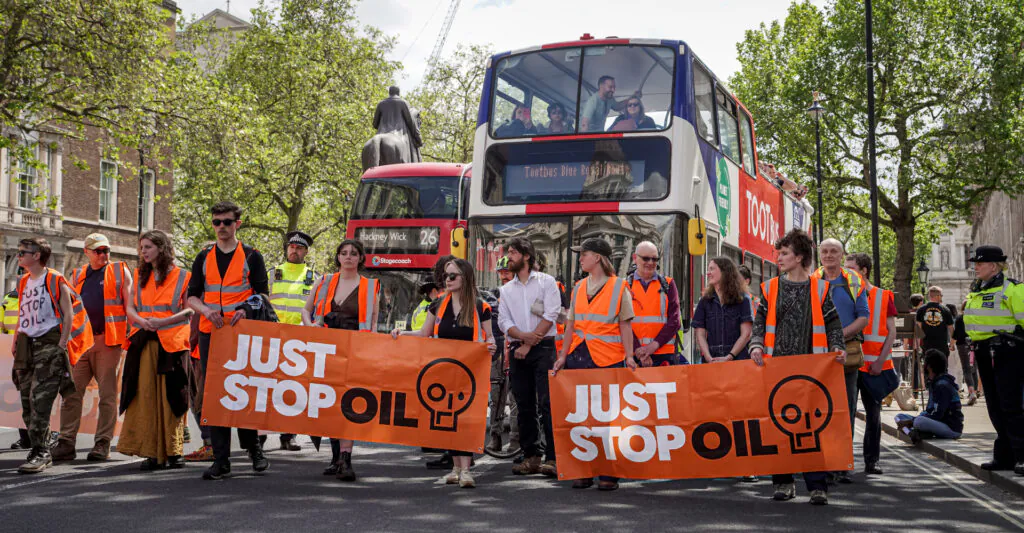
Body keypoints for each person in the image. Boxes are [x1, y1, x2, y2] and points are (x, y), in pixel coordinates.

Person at [749, 229, 845, 505]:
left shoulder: (820, 288)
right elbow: (759, 322)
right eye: (779, 253)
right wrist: (756, 345)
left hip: (812, 369)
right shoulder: (771, 287)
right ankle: (783, 482)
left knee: (810, 428)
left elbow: (832, 323)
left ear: (799, 257)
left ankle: (817, 486)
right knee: (779, 425)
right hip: (776, 367)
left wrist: (837, 348)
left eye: (785, 254)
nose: (779, 258)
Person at [392, 258, 496, 488]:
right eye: (446, 276)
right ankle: (456, 467)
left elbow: (489, 338)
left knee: (467, 421)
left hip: (471, 374)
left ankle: (466, 470)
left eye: (453, 276)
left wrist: (491, 346)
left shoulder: (481, 307)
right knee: (449, 420)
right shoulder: (437, 304)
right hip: (444, 371)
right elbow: (424, 334)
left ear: (465, 278)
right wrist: (401, 333)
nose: (447, 280)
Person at [187, 201, 271, 481]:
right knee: (216, 397)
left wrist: (245, 309)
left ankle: (254, 449)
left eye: (226, 221)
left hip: (241, 332)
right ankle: (221, 461)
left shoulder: (252, 256)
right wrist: (205, 311)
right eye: (216, 222)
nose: (221, 227)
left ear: (238, 223)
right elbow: (191, 297)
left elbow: (262, 295)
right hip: (212, 332)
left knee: (243, 392)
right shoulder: (203, 256)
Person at [553, 237, 637, 491]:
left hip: (608, 359)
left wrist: (630, 356)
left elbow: (625, 325)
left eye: (584, 254)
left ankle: (608, 472)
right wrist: (563, 356)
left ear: (598, 257)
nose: (580, 258)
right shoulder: (579, 287)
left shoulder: (619, 287)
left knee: (608, 419)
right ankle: (584, 470)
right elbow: (570, 326)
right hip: (579, 356)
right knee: (582, 417)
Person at [13, 237, 93, 474]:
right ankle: (40, 445)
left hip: (49, 343)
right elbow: (22, 313)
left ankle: (41, 452)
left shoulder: (55, 279)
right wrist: (17, 339)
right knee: (27, 401)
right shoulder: (23, 281)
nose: (19, 256)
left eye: (22, 252)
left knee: (41, 400)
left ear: (37, 255)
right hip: (27, 345)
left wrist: (61, 343)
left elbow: (68, 314)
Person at [301, 239, 379, 481]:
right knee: (328, 402)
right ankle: (335, 457)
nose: (348, 257)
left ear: (360, 258)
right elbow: (306, 309)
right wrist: (311, 326)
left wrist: (370, 351)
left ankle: (346, 459)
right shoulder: (324, 281)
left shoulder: (371, 286)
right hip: (325, 349)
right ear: (337, 257)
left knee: (348, 403)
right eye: (344, 253)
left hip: (354, 351)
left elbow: (373, 323)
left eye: (354, 254)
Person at [50, 233, 131, 463]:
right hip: (82, 343)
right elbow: (68, 309)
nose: (103, 255)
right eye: (98, 251)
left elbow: (130, 304)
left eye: (106, 250)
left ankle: (102, 444)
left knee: (107, 395)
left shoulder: (119, 271)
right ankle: (66, 443)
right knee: (71, 392)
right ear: (86, 252)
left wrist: (132, 336)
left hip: (109, 342)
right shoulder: (77, 275)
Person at [119, 230, 193, 470]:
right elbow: (130, 308)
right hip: (144, 342)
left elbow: (189, 310)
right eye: (142, 248)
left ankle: (174, 451)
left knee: (172, 398)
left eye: (148, 247)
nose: (144, 252)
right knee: (146, 398)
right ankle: (151, 452)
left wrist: (162, 322)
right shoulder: (139, 274)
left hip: (172, 344)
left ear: (162, 248)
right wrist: (141, 321)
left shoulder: (183, 276)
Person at [498, 237, 562, 477]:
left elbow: (552, 312)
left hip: (543, 348)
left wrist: (531, 340)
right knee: (523, 405)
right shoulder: (505, 289)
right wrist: (523, 340)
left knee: (548, 404)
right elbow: (504, 321)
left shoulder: (547, 282)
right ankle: (531, 455)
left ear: (526, 256)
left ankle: (553, 457)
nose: (509, 257)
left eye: (513, 252)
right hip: (518, 349)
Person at [810, 238, 868, 485]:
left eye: (834, 251)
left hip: (845, 355)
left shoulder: (853, 281)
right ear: (819, 255)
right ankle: (824, 462)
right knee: (821, 410)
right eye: (825, 251)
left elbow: (863, 318)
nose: (829, 255)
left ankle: (842, 463)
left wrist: (838, 336)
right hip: (817, 357)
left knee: (845, 410)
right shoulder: (811, 280)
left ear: (842, 255)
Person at [962, 245, 1024, 474]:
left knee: (1011, 406)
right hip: (983, 353)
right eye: (975, 263)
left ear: (994, 266)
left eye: (980, 263)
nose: (975, 267)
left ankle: (1022, 456)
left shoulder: (1013, 290)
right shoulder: (977, 291)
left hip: (1007, 352)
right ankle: (1005, 456)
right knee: (995, 407)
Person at [266, 230, 318, 452]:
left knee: (292, 390)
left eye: (299, 248)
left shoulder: (314, 278)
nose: (294, 250)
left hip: (299, 342)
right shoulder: (272, 273)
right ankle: (259, 436)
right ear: (287, 249)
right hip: (272, 337)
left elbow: (317, 310)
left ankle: (289, 435)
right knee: (266, 388)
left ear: (305, 251)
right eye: (291, 247)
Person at [846, 252, 897, 476]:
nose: (845, 272)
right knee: (845, 415)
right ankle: (843, 464)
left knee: (873, 416)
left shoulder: (884, 296)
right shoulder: (843, 294)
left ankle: (872, 460)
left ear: (864, 270)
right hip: (849, 365)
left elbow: (891, 332)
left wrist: (879, 361)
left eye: (850, 268)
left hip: (875, 367)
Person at [629, 241, 683, 366]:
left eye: (654, 259)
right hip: (634, 356)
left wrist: (652, 346)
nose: (650, 263)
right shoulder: (624, 286)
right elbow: (620, 322)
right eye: (646, 258)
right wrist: (638, 350)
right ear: (635, 258)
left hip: (664, 355)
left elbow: (674, 320)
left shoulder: (668, 284)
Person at [692, 256, 752, 364]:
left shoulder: (743, 299)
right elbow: (700, 334)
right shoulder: (705, 301)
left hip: (738, 362)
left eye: (712, 269)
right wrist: (709, 358)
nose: (708, 273)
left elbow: (746, 334)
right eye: (708, 269)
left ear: (725, 272)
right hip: (711, 361)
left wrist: (729, 357)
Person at [895, 350, 964, 442]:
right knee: (899, 417)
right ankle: (913, 433)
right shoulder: (935, 383)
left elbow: (938, 414)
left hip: (950, 427)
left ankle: (914, 432)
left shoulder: (942, 385)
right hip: (937, 422)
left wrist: (912, 421)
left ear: (929, 366)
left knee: (919, 421)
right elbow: (930, 410)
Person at [487, 256, 518, 453]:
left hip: (515, 348)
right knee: (495, 398)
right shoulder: (493, 296)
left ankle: (515, 440)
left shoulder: (521, 294)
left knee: (515, 398)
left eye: (507, 271)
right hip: (497, 352)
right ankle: (495, 437)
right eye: (501, 272)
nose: (503, 275)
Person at [3, 286, 31, 450]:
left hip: (35, 350)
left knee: (34, 396)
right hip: (13, 353)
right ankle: (25, 437)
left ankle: (45, 436)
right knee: (22, 397)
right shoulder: (9, 299)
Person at [372, 85, 422, 162]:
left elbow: (375, 124)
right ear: (398, 93)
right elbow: (410, 122)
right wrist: (418, 137)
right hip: (399, 136)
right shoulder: (403, 103)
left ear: (389, 93)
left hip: (380, 133)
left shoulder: (381, 104)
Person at [916, 286, 955, 359]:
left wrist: (917, 345)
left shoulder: (921, 310)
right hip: (942, 345)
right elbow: (951, 328)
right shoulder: (945, 310)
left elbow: (918, 329)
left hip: (927, 345)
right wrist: (952, 344)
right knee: (943, 368)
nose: (942, 297)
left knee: (929, 368)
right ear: (937, 296)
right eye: (941, 295)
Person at [952, 302, 978, 406]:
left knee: (966, 369)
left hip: (962, 345)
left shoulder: (959, 318)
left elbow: (956, 334)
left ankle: (971, 393)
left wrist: (952, 344)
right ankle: (975, 392)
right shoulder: (977, 317)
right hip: (975, 344)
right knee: (974, 369)